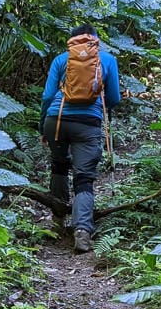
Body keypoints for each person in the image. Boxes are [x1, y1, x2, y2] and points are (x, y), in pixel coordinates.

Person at [39, 24, 123, 253]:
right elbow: (114, 97)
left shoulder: (61, 59)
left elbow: (47, 96)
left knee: (58, 165)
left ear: (72, 41)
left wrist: (42, 127)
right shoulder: (106, 59)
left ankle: (56, 222)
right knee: (83, 178)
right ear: (95, 41)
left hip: (55, 120)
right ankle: (82, 231)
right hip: (88, 124)